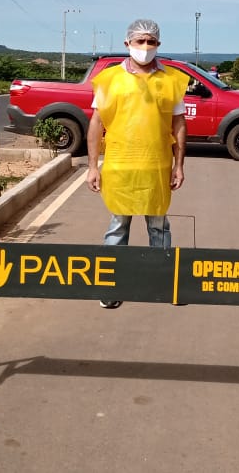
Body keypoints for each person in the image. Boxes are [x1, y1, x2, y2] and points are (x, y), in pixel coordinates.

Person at [86, 19, 188, 309]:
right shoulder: (109, 80)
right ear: (127, 44)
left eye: (151, 41)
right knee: (118, 227)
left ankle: (163, 282)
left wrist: (179, 165)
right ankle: (111, 285)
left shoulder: (170, 80)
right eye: (140, 41)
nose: (145, 47)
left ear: (159, 45)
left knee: (159, 226)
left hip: (157, 165)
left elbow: (178, 124)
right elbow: (96, 123)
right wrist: (93, 166)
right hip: (120, 165)